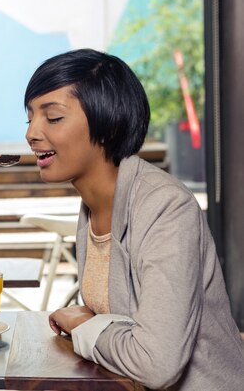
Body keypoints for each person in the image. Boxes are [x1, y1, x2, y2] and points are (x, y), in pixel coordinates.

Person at [24, 48, 244, 390]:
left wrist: (84, 325)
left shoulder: (165, 207)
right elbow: (121, 322)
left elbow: (157, 364)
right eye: (30, 118)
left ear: (108, 125)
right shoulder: (92, 207)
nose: (32, 133)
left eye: (52, 118)